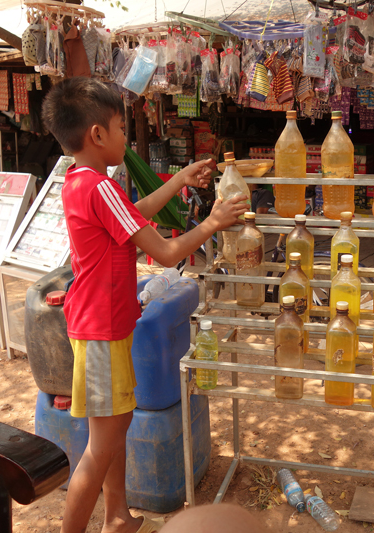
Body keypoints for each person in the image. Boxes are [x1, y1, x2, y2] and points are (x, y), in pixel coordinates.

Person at [41, 77, 248, 533]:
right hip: (101, 331)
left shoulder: (84, 182)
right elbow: (169, 254)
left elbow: (136, 216)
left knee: (115, 431)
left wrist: (177, 180)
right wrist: (213, 221)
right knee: (101, 446)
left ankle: (117, 517)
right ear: (97, 135)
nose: (125, 137)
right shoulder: (101, 189)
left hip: (101, 325)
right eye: (119, 127)